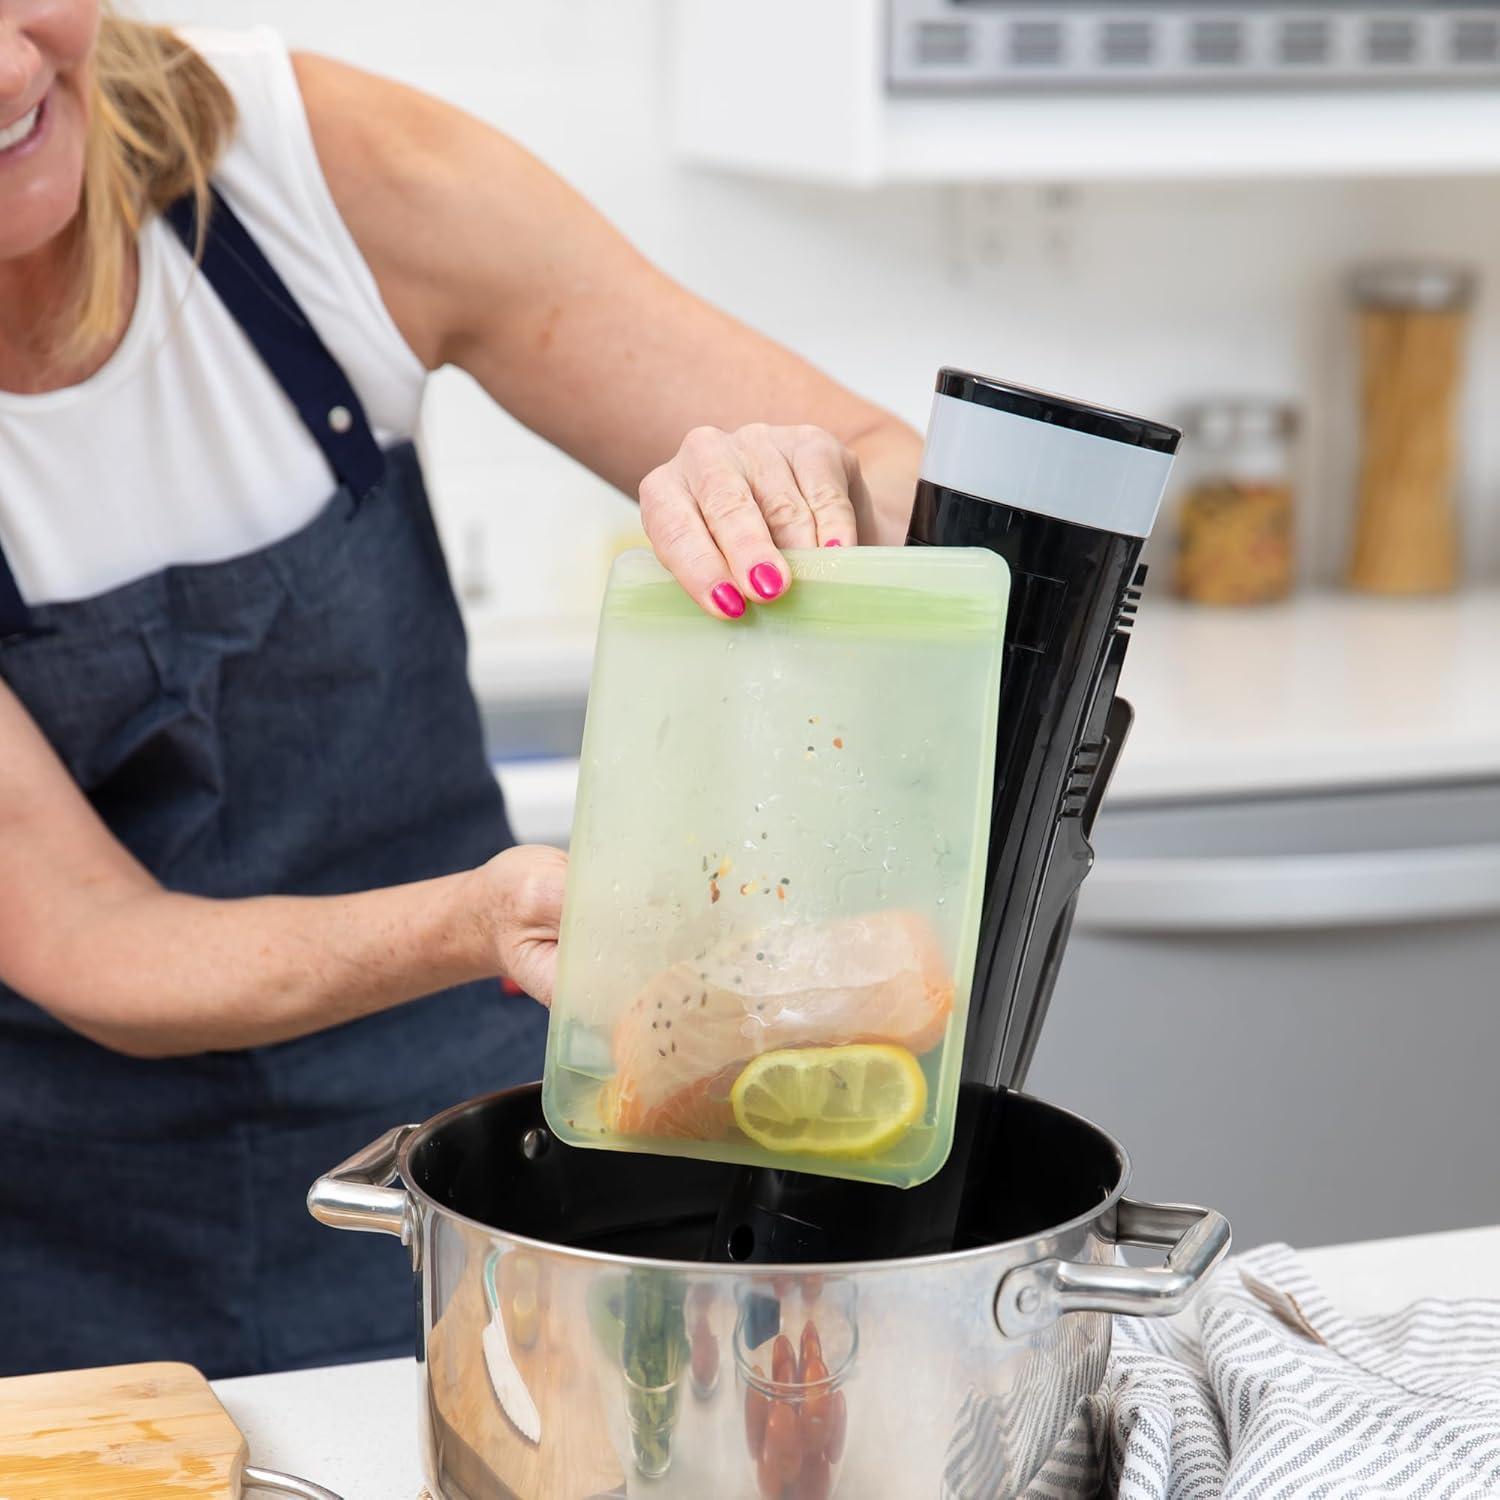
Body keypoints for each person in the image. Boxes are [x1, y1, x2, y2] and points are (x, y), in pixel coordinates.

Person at [0, 3, 921, 1378]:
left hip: (466, 1175)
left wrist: (797, 495)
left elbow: (886, 463)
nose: (11, 67)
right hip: (68, 1231)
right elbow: (89, 933)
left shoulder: (310, 173)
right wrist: (481, 917)